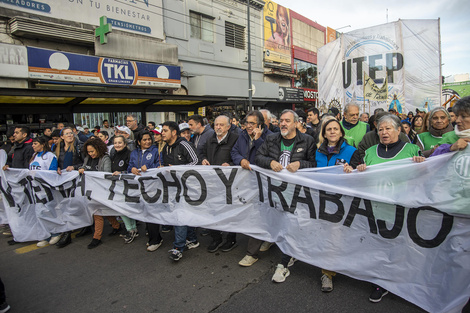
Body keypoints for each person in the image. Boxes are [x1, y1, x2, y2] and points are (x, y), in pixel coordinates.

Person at [352, 114, 425, 303]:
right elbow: (362, 179)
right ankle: (380, 283)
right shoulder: (370, 152)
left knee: (402, 247)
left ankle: (403, 282)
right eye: (381, 129)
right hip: (377, 209)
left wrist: (423, 166)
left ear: (399, 130)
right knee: (379, 247)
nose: (384, 132)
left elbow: (424, 179)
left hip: (404, 209)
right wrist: (358, 171)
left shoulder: (412, 150)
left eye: (389, 128)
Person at [255, 109, 316, 283]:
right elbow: (259, 156)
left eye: (287, 121)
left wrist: (300, 164)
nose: (283, 123)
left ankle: (284, 263)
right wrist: (270, 162)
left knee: (291, 224)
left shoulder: (308, 140)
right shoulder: (271, 139)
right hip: (276, 191)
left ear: (296, 123)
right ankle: (283, 245)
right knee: (279, 221)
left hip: (298, 193)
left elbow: (314, 164)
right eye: (281, 120)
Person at [315, 116, 362, 292]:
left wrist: (353, 171)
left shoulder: (351, 151)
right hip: (323, 200)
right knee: (329, 237)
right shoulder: (318, 151)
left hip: (344, 202)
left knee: (341, 236)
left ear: (341, 132)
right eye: (329, 130)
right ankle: (327, 273)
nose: (333, 132)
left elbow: (361, 173)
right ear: (324, 134)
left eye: (336, 129)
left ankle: (346, 267)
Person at [232, 111, 273, 267]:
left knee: (258, 214)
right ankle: (268, 238)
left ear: (260, 125)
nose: (248, 126)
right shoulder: (242, 135)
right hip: (247, 182)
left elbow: (267, 156)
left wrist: (257, 140)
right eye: (246, 123)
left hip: (262, 182)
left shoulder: (270, 137)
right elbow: (234, 152)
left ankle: (252, 253)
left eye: (252, 123)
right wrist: (241, 159)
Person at [160, 121, 199, 261]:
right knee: (181, 214)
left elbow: (196, 162)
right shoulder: (165, 148)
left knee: (180, 215)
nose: (162, 133)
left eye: (165, 130)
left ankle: (178, 247)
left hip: (188, 187)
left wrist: (177, 169)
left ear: (174, 132)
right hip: (174, 188)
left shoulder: (184, 145)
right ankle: (193, 240)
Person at [200, 116, 239, 253]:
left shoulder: (236, 138)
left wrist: (231, 165)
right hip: (212, 182)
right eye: (216, 124)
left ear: (228, 127)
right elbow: (201, 152)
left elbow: (241, 157)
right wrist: (203, 159)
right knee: (212, 209)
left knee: (229, 210)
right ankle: (215, 237)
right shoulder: (210, 138)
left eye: (221, 125)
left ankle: (230, 238)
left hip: (229, 182)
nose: (218, 127)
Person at [78, 137, 122, 249]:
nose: (90, 153)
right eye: (88, 152)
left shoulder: (105, 158)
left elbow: (106, 174)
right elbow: (84, 166)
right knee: (102, 211)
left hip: (101, 190)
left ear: (98, 149)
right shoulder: (88, 158)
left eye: (92, 151)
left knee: (97, 213)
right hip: (90, 189)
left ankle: (96, 237)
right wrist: (81, 169)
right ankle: (116, 226)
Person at [127, 131, 161, 251]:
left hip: (152, 187)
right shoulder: (134, 153)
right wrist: (132, 169)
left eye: (149, 139)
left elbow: (159, 166)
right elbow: (129, 167)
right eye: (144, 140)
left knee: (152, 212)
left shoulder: (155, 151)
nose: (147, 142)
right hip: (139, 187)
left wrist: (149, 169)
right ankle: (154, 236)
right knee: (145, 212)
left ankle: (155, 240)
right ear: (138, 142)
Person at [53, 127, 84, 248]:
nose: (70, 135)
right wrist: (57, 168)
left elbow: (85, 162)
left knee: (75, 204)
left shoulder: (79, 147)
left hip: (76, 180)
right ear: (62, 137)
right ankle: (67, 231)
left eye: (71, 133)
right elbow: (56, 162)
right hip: (63, 180)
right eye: (67, 134)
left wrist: (75, 167)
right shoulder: (57, 148)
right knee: (65, 205)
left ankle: (70, 232)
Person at [28, 137, 60, 247]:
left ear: (42, 144)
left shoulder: (50, 156)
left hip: (46, 188)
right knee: (39, 212)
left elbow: (52, 172)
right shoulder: (34, 156)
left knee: (48, 210)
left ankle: (56, 232)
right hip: (35, 189)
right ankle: (45, 235)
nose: (33, 145)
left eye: (35, 143)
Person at [109, 135, 136, 243]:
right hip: (118, 186)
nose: (117, 145)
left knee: (125, 208)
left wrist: (122, 173)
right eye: (115, 143)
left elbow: (131, 170)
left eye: (120, 143)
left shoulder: (129, 154)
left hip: (127, 185)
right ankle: (132, 228)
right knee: (122, 208)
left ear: (125, 144)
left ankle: (131, 229)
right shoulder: (114, 154)